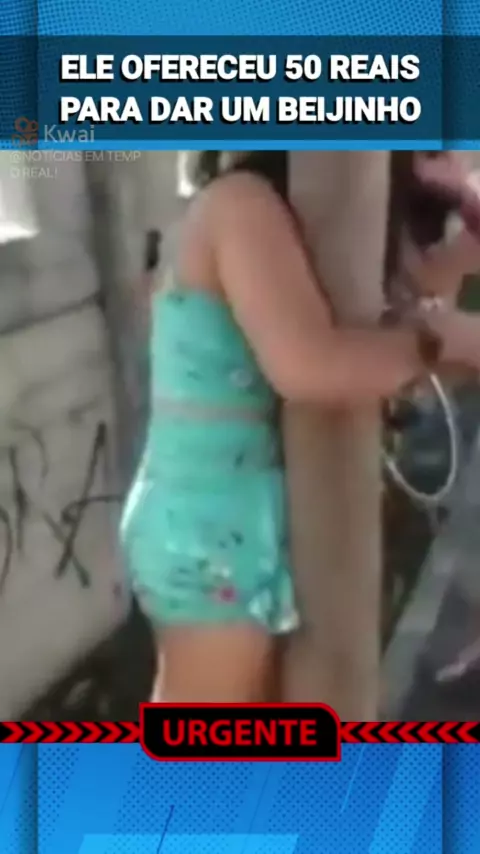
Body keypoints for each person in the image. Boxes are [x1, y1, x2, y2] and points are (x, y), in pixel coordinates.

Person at [120, 149, 480, 703]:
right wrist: (440, 342)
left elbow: (404, 309)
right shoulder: (240, 206)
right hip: (208, 528)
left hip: (235, 521)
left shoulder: (306, 220)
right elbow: (310, 365)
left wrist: (462, 251)